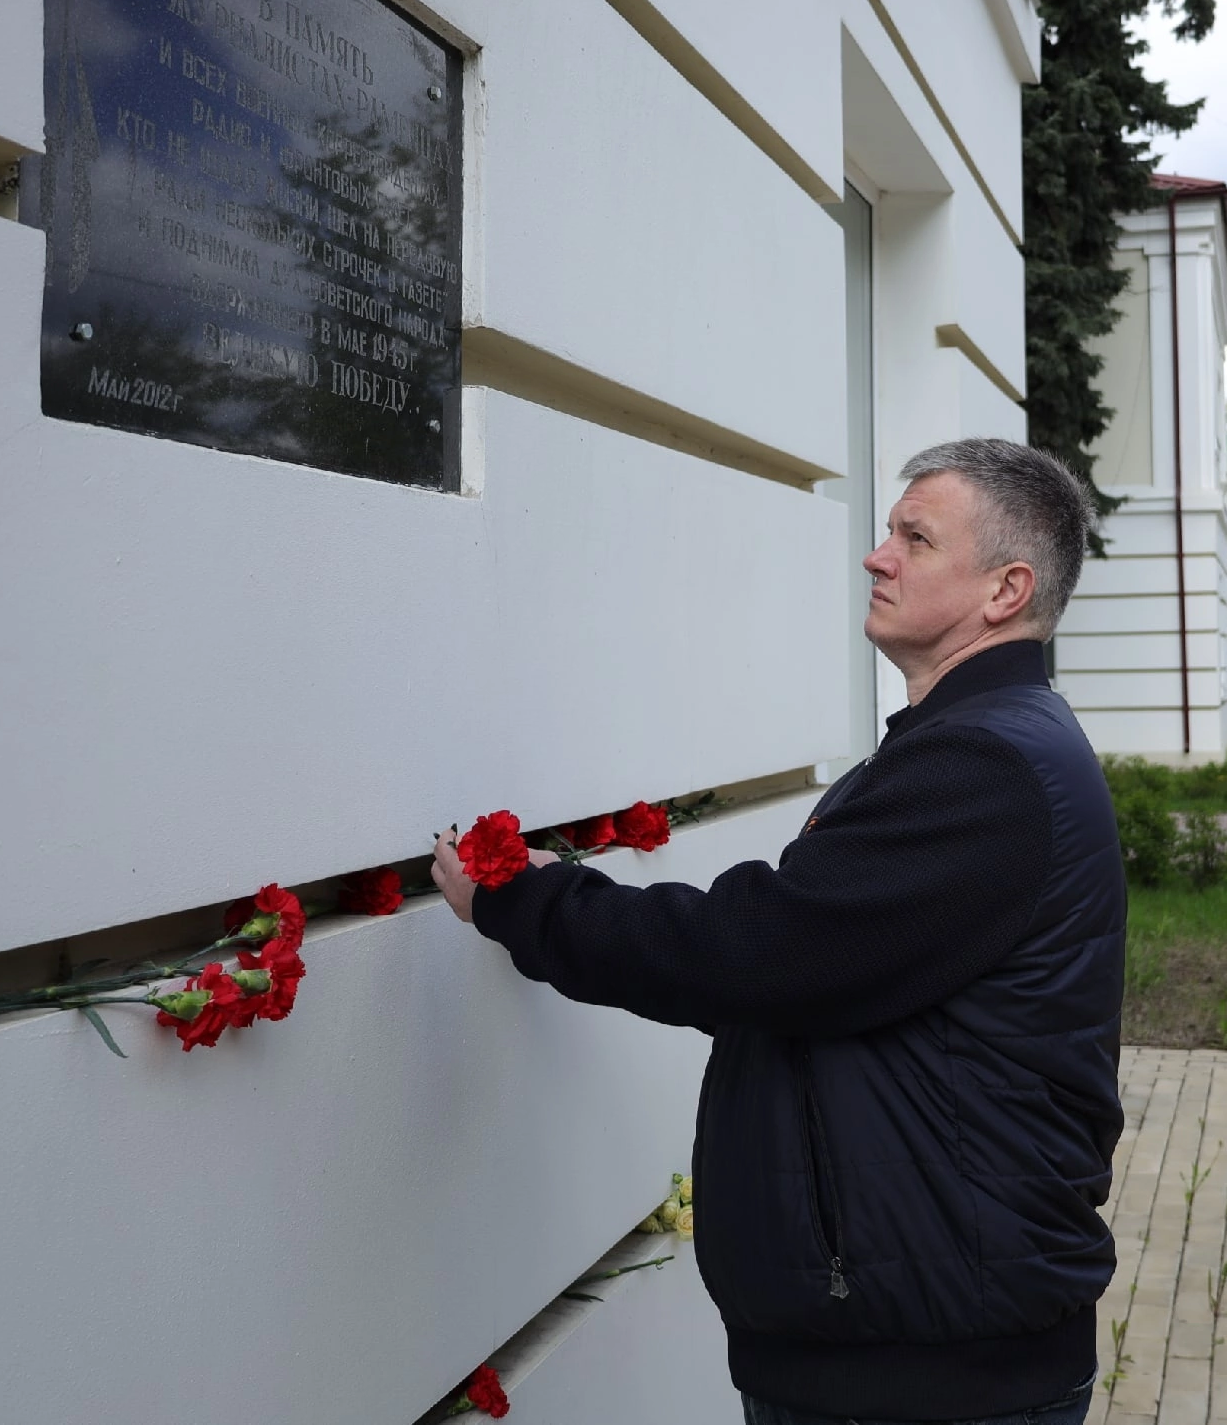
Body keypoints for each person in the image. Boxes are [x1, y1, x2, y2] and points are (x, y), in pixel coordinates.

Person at [433, 438, 1124, 1425]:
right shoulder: (984, 746)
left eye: (914, 537)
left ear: (1004, 589)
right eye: (889, 531)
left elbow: (757, 951)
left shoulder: (984, 768)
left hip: (922, 1376)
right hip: (911, 1345)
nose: (876, 555)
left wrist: (526, 900)